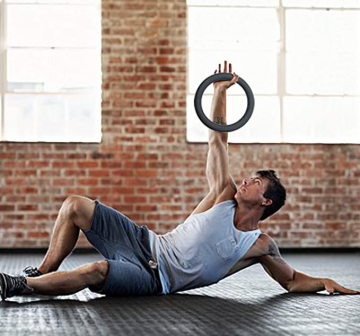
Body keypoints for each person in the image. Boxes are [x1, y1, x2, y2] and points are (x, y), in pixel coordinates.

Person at [1, 61, 359, 301]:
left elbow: (292, 280)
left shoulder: (260, 244)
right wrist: (220, 93)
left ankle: (20, 285)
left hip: (156, 280)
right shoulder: (223, 195)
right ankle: (44, 271)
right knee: (75, 205)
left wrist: (325, 283)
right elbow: (218, 139)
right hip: (145, 242)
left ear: (267, 201)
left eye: (256, 181)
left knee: (97, 270)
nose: (246, 181)